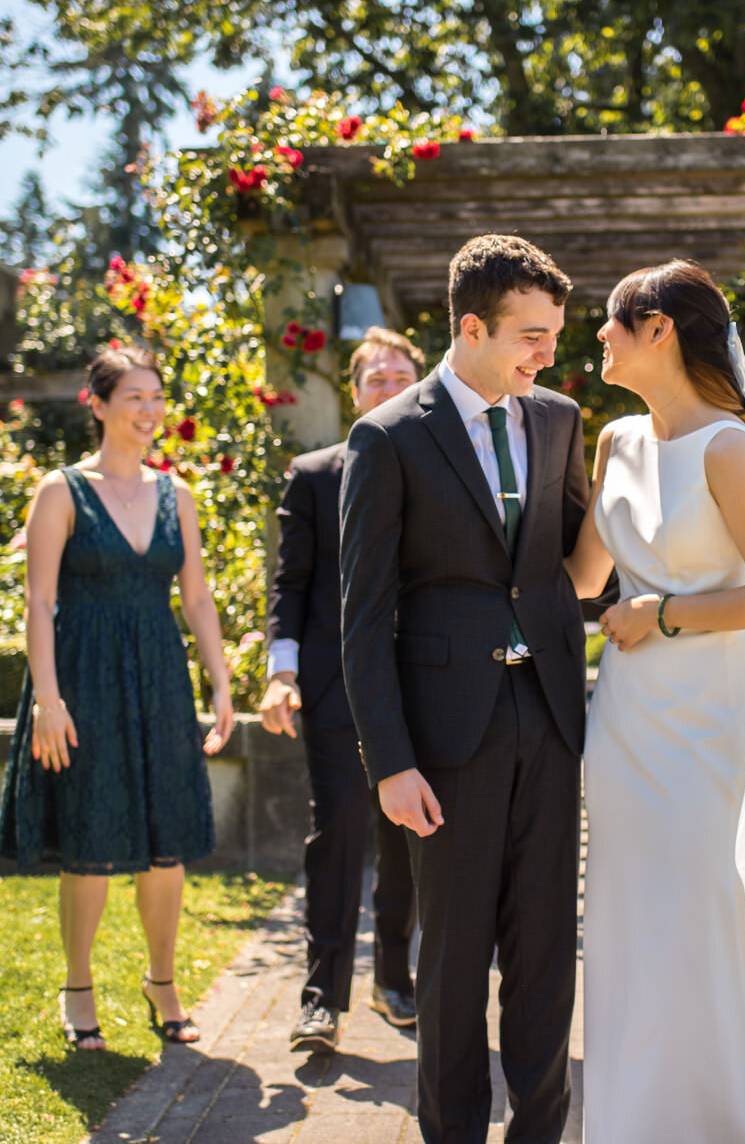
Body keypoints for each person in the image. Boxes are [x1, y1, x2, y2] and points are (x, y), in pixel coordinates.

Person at [339, 235, 590, 1144]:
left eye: (554, 335)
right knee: (449, 962)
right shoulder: (389, 434)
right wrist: (390, 765)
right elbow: (362, 619)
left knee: (545, 958)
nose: (547, 354)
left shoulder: (558, 419)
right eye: (531, 335)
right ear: (472, 326)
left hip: (553, 720)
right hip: (445, 741)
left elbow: (569, 563)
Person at [564, 258, 745, 1143]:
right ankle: (634, 1118)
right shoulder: (615, 442)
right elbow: (583, 578)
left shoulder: (730, 447)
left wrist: (662, 613)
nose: (597, 335)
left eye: (611, 321)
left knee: (698, 899)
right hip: (627, 711)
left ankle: (719, 1115)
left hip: (704, 708)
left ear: (659, 329)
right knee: (627, 910)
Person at [0, 345, 237, 1051]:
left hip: (161, 677)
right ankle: (78, 986)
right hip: (84, 676)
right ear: (96, 403)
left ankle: (163, 981)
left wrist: (221, 682)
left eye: (157, 397)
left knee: (168, 841)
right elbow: (38, 601)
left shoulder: (177, 495)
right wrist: (48, 696)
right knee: (91, 838)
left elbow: (196, 596)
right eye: (134, 396)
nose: (150, 411)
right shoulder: (59, 491)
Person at [261, 326, 424, 1051]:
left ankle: (395, 977)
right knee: (340, 833)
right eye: (375, 379)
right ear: (353, 392)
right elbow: (289, 584)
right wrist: (281, 670)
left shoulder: (442, 467)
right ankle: (322, 995)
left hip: (424, 685)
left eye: (401, 378)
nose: (387, 389)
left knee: (408, 838)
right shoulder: (315, 472)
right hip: (334, 689)